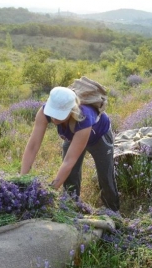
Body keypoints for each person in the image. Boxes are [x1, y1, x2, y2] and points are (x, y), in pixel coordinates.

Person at [21, 84, 120, 212]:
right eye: (53, 113)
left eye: (59, 115)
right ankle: (71, 208)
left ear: (72, 110)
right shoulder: (44, 112)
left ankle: (113, 211)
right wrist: (22, 180)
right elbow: (32, 146)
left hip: (98, 136)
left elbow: (68, 162)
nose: (55, 118)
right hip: (73, 137)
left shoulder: (84, 118)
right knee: (70, 177)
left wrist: (48, 193)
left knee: (105, 175)